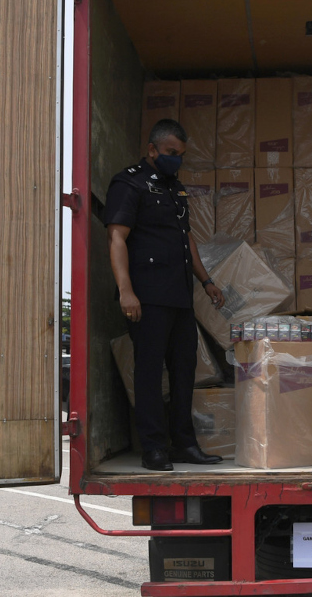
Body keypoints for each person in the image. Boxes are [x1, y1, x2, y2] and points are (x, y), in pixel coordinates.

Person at [104, 118, 225, 471]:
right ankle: (154, 448)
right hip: (147, 297)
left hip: (179, 298)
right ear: (152, 148)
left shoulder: (175, 189)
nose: (177, 160)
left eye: (181, 155)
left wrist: (206, 281)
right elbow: (116, 238)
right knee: (149, 373)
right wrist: (126, 291)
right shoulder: (129, 183)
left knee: (184, 371)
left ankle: (184, 445)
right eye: (171, 153)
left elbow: (186, 239)